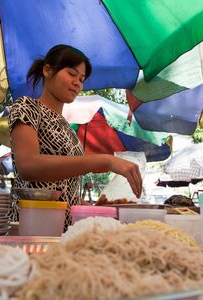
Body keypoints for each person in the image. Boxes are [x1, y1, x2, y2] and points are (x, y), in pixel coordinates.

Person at [8, 44, 142, 228]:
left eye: (81, 78)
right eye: (71, 74)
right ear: (48, 70)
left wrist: (98, 210)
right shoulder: (27, 107)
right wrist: (105, 161)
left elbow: (65, 191)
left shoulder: (69, 130)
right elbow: (28, 166)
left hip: (65, 230)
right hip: (33, 225)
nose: (77, 83)